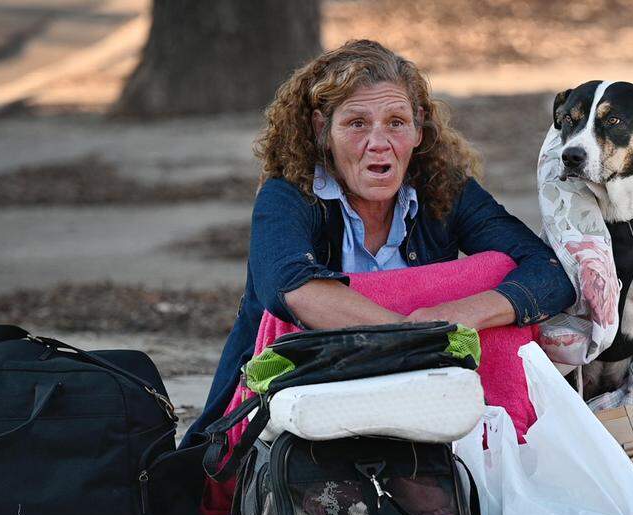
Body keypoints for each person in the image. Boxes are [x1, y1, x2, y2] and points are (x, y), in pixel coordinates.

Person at [183, 39, 575, 449]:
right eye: (356, 123)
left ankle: (507, 446)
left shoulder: (445, 191)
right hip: (296, 406)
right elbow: (288, 288)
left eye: (396, 122)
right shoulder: (287, 196)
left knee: (498, 277)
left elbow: (548, 274)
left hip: (417, 409)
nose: (378, 142)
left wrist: (450, 315)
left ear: (419, 128)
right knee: (485, 275)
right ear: (322, 130)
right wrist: (413, 338)